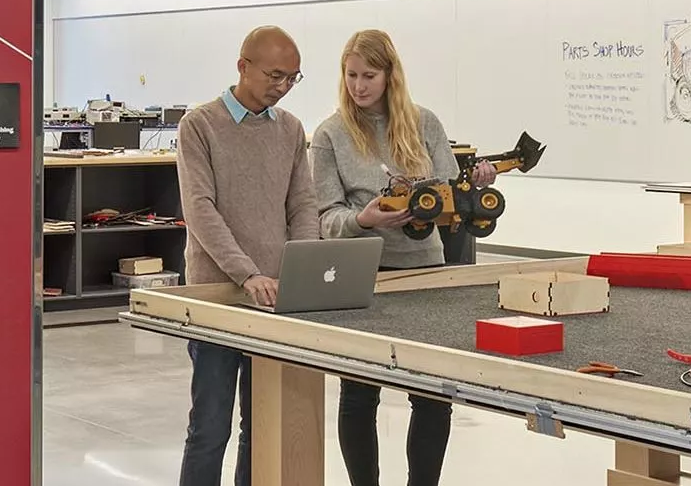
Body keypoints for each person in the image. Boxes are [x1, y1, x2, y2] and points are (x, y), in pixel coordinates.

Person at [311, 30, 494, 486]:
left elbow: (451, 199)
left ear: (391, 75)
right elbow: (324, 217)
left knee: (433, 394)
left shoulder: (425, 123)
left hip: (425, 273)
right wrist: (364, 220)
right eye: (350, 75)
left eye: (368, 75)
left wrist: (478, 191)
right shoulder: (330, 134)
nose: (358, 86)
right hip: (362, 276)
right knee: (358, 395)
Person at [175, 25, 322, 486]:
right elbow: (200, 210)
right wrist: (247, 273)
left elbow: (303, 204)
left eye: (293, 79)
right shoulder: (199, 125)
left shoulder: (292, 130)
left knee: (261, 428)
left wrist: (303, 268)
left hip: (275, 299)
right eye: (275, 75)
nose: (282, 87)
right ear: (243, 66)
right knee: (209, 427)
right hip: (217, 296)